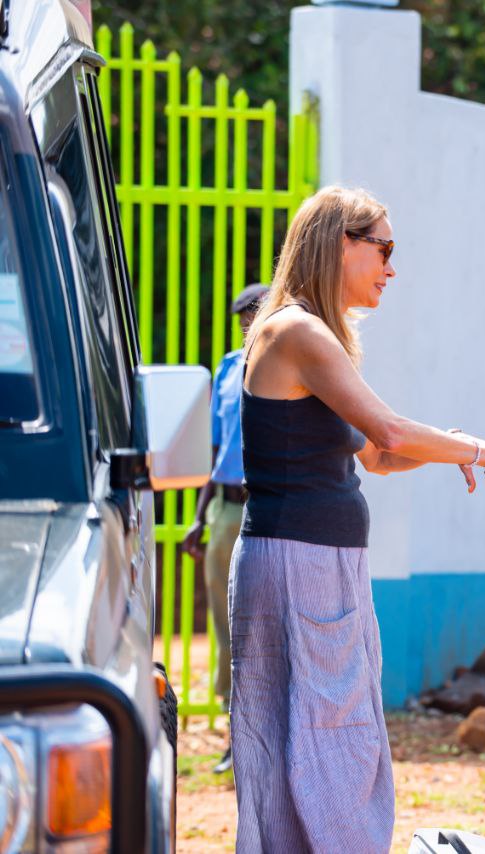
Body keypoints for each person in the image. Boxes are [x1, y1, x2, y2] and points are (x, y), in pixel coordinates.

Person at [229, 186, 485, 852]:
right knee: (327, 743)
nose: (391, 269)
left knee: (322, 740)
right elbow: (392, 434)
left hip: (315, 565)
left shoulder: (312, 334)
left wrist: (457, 445)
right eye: (384, 249)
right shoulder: (295, 329)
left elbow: (375, 454)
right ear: (340, 243)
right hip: (300, 566)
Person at [181, 282, 269, 776]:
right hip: (225, 508)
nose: (247, 326)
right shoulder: (228, 368)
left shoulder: (287, 362)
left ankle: (262, 738)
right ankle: (236, 734)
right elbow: (216, 450)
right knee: (226, 622)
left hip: (267, 509)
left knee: (262, 624)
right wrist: (199, 516)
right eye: (242, 318)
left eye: (254, 315)